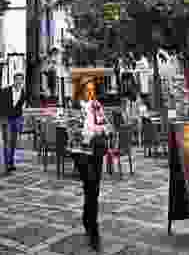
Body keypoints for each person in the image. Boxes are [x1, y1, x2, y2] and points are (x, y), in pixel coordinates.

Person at [76, 81, 107, 251]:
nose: (90, 93)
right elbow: (71, 128)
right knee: (89, 183)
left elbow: (104, 125)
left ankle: (88, 218)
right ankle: (93, 229)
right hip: (81, 151)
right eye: (87, 90)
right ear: (82, 91)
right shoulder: (75, 106)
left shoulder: (97, 105)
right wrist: (83, 133)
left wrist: (98, 130)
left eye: (92, 90)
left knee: (94, 188)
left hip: (96, 149)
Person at [0, 73, 28, 174]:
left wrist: (21, 120)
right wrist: (0, 121)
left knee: (14, 143)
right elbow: (1, 107)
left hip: (16, 120)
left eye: (21, 80)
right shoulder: (5, 91)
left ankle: (11, 162)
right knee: (7, 141)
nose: (19, 82)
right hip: (6, 119)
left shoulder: (23, 93)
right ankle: (7, 165)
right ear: (14, 80)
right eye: (17, 80)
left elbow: (20, 107)